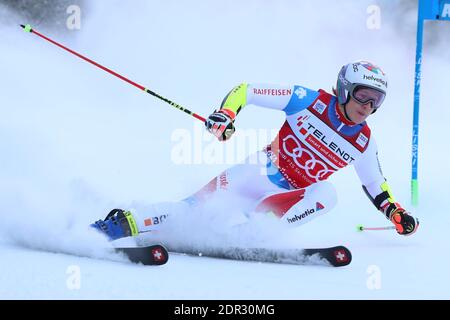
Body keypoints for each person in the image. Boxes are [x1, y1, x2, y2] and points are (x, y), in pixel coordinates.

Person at [91, 60, 419, 241]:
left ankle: (252, 235)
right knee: (193, 210)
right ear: (345, 90)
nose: (368, 106)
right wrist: (227, 115)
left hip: (291, 198)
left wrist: (395, 213)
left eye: (376, 101)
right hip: (257, 173)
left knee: (329, 193)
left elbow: (375, 185)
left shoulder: (363, 141)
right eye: (363, 96)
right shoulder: (308, 100)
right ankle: (122, 225)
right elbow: (246, 91)